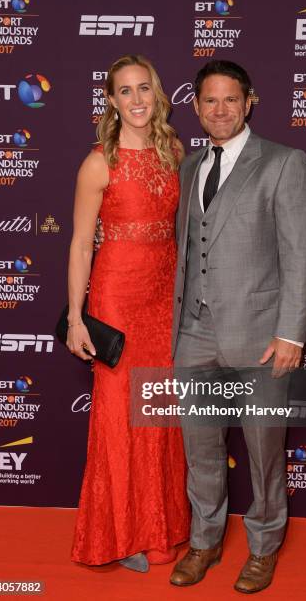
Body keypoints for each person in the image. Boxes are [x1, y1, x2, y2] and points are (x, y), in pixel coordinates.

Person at [169, 60, 306, 593]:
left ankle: (263, 546)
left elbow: (302, 255)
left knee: (264, 450)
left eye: (231, 99)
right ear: (196, 107)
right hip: (194, 333)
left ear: (249, 101)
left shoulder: (284, 162)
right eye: (210, 101)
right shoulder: (189, 167)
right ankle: (205, 540)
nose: (220, 110)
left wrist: (291, 334)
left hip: (261, 337)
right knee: (201, 448)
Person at [67, 54, 190, 573]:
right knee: (120, 418)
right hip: (116, 297)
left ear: (157, 95)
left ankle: (161, 529)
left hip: (165, 297)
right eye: (126, 91)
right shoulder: (99, 162)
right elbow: (78, 245)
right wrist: (76, 317)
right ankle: (119, 534)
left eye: (145, 89)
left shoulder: (174, 152)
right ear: (111, 102)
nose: (137, 100)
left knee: (160, 412)